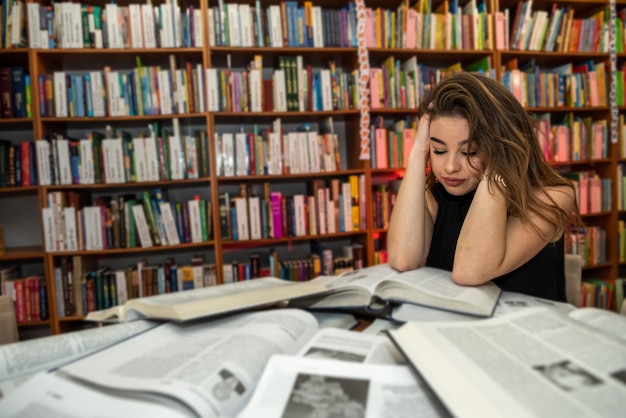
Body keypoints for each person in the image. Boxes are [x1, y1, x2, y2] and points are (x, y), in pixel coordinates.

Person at [387, 72, 582, 302]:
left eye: (470, 152)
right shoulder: (435, 198)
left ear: (498, 147)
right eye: (438, 150)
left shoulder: (553, 196)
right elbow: (403, 259)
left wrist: (499, 165)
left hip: (524, 334)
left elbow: (470, 271)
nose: (450, 167)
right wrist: (418, 152)